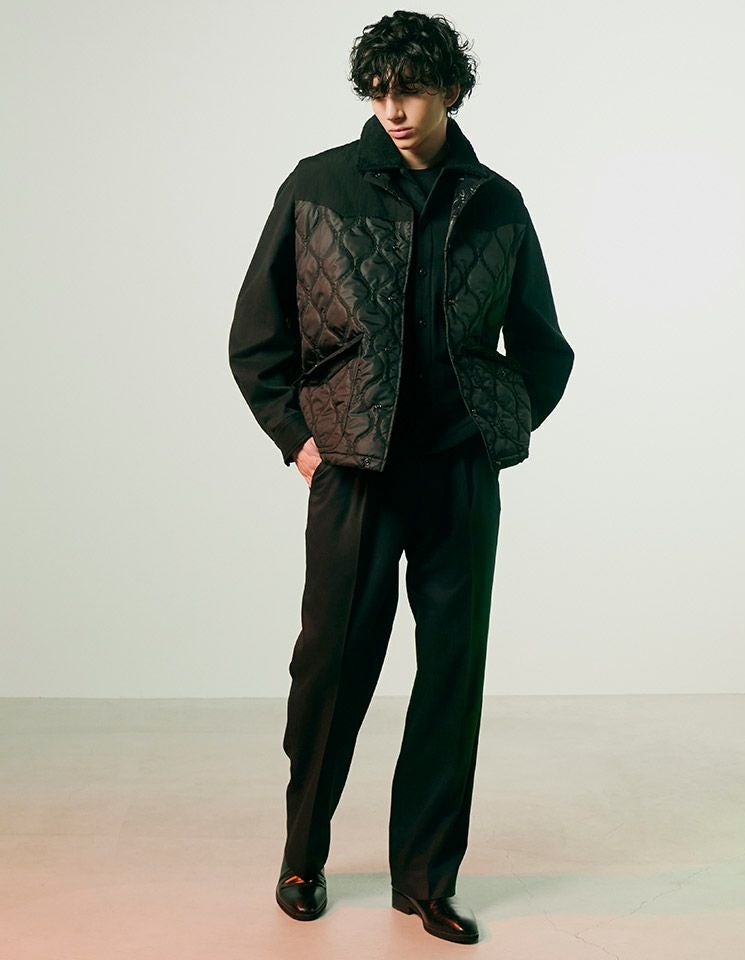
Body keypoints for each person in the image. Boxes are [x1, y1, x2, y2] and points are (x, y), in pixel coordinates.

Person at [228, 10, 574, 945]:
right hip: (354, 472)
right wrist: (300, 441)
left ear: (451, 91)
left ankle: (425, 880)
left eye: (411, 91)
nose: (393, 109)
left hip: (456, 472)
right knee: (331, 668)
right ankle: (302, 856)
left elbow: (543, 348)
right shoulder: (318, 187)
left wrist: (495, 428)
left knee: (451, 678)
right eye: (379, 92)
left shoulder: (497, 203)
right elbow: (257, 338)